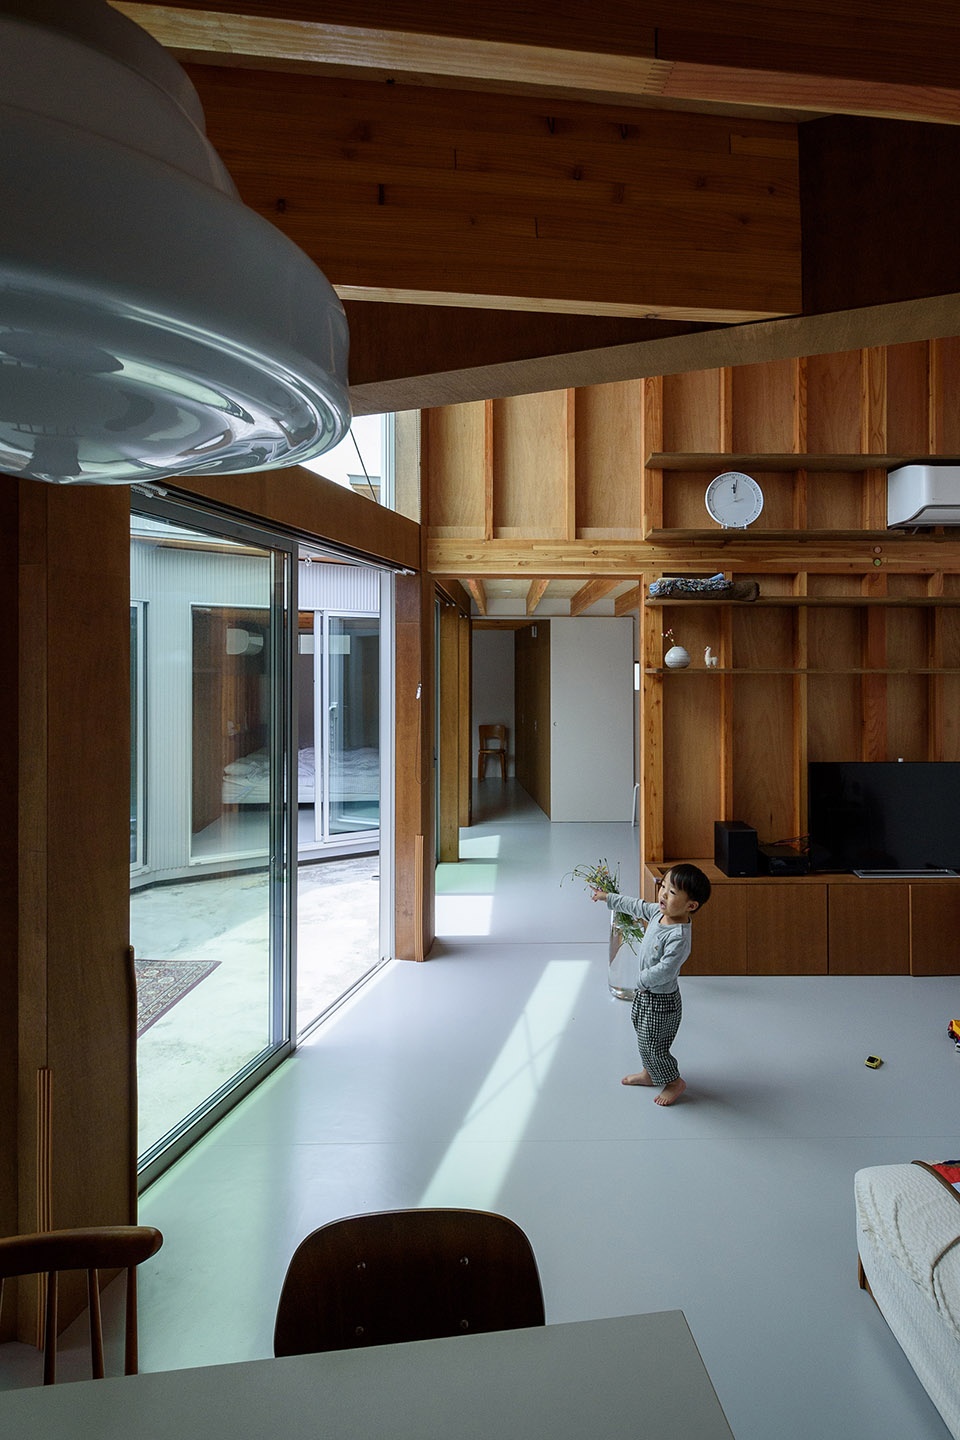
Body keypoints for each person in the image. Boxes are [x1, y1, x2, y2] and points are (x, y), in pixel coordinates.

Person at [592, 864, 711, 1105]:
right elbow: (635, 906)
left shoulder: (678, 937)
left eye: (672, 892)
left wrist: (641, 980)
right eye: (663, 886)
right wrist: (608, 898)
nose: (663, 894)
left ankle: (674, 1082)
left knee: (654, 1044)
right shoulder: (658, 913)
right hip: (646, 994)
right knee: (641, 1033)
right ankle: (649, 1073)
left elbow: (666, 969)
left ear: (691, 906)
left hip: (661, 1001)